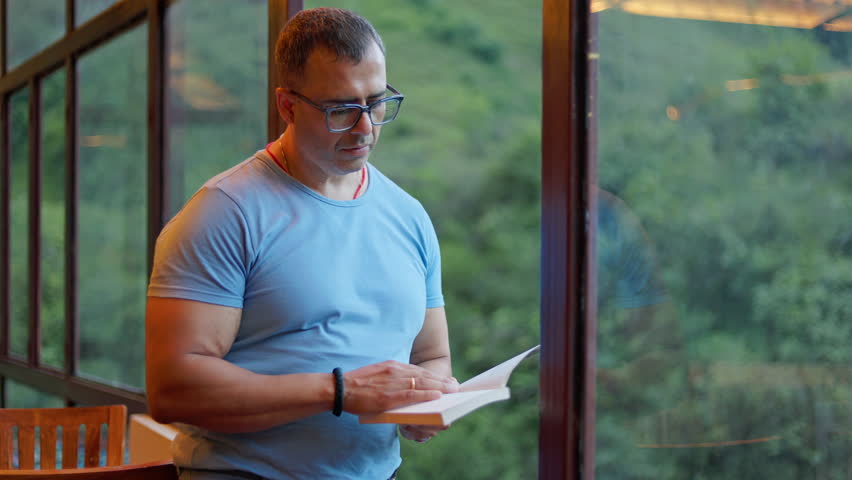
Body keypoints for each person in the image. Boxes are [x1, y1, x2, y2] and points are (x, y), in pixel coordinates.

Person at [145, 8, 459, 480]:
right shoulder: (223, 213)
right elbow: (174, 391)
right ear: (287, 106)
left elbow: (430, 354)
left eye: (376, 102)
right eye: (341, 109)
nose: (366, 128)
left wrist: (425, 400)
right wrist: (339, 392)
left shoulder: (409, 215)